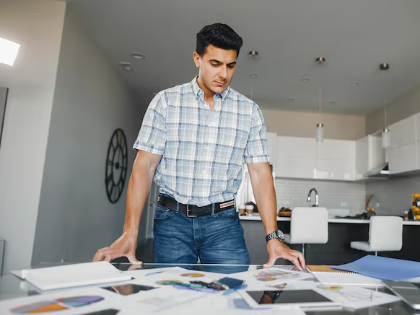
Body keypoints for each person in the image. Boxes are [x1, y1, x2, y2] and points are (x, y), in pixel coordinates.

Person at [93, 23, 305, 270]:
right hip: (172, 222)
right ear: (197, 59)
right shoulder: (166, 102)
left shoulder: (249, 111)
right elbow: (144, 167)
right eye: (215, 64)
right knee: (173, 299)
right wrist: (130, 232)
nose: (224, 74)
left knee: (234, 298)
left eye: (231, 65)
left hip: (224, 224)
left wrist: (274, 238)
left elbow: (260, 173)